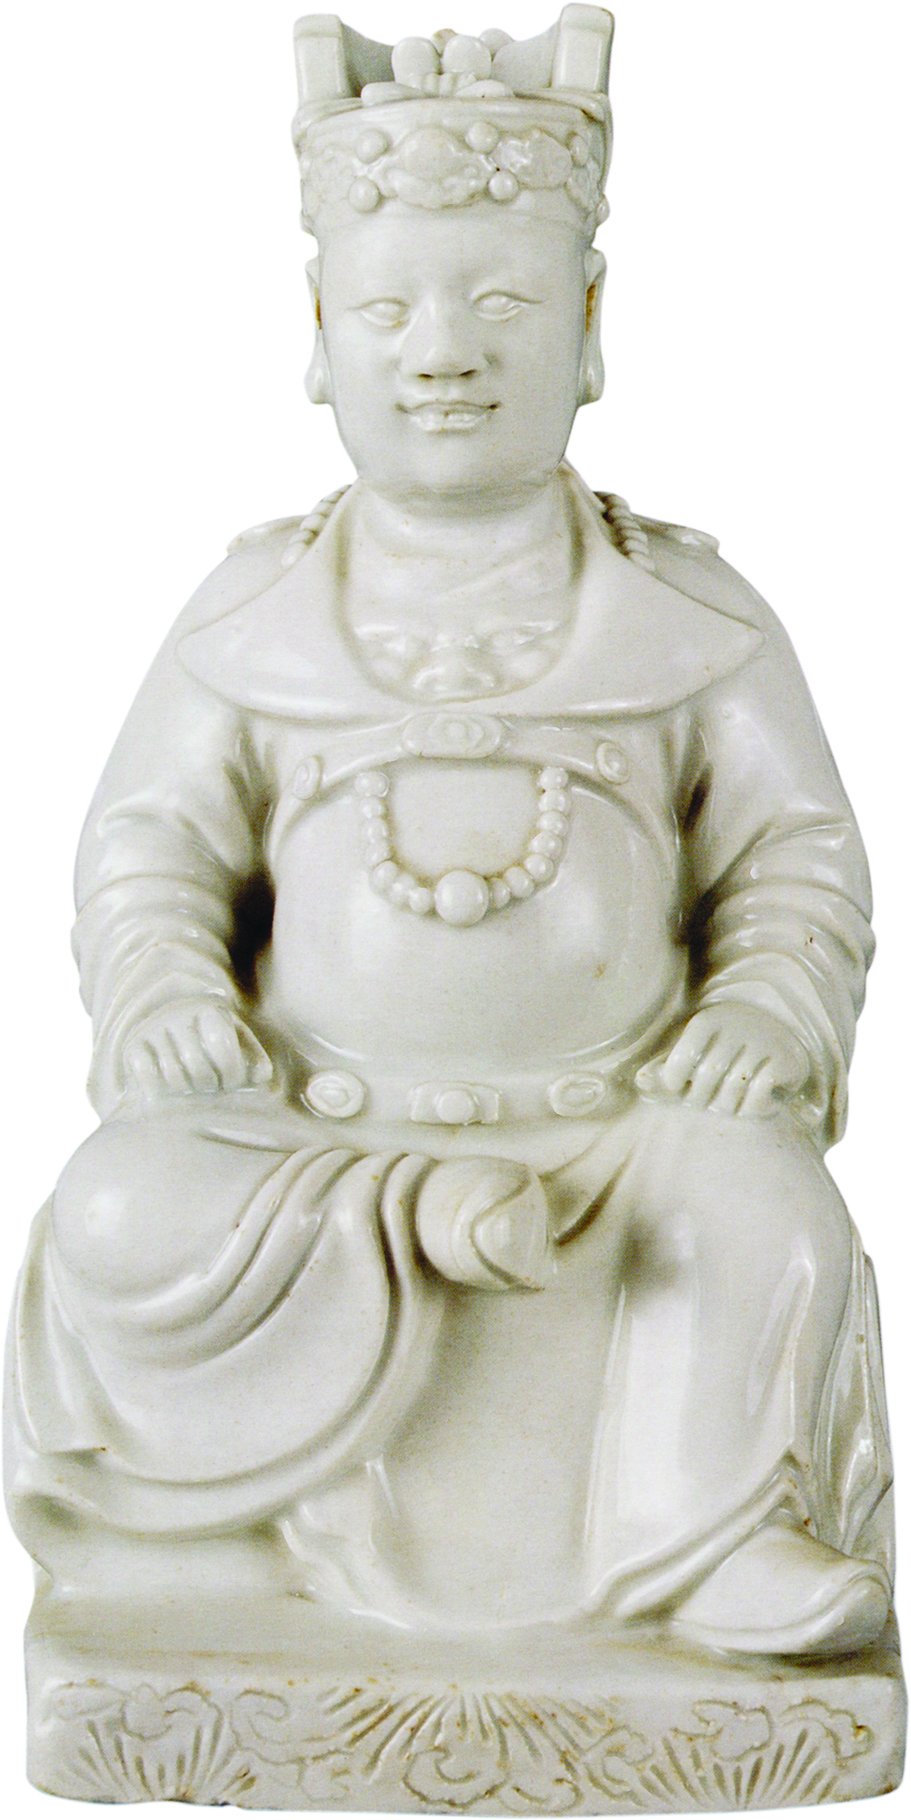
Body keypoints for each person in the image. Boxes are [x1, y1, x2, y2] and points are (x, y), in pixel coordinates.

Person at [6, 6, 895, 1657]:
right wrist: (171, 997)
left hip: (615, 1132)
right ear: (317, 333)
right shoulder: (251, 610)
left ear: (588, 324)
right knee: (117, 1207)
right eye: (386, 308)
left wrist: (765, 1013)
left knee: (761, 1212)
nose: (441, 353)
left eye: (498, 304)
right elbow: (150, 850)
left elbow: (793, 860)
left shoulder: (693, 613)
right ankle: (216, 1539)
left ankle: (700, 1548)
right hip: (317, 1136)